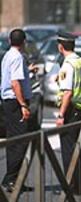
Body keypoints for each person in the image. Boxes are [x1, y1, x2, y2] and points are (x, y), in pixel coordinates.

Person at [55, 31, 81, 194]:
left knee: (68, 149)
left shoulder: (68, 65)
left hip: (71, 111)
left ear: (60, 47)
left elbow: (68, 92)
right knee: (80, 150)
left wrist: (61, 115)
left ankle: (71, 185)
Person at [1, 29, 32, 192]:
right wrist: (23, 105)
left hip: (9, 101)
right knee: (20, 140)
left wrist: (29, 71)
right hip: (15, 102)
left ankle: (15, 179)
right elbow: (15, 83)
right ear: (24, 42)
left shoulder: (8, 55)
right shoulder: (17, 57)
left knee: (14, 139)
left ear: (9, 41)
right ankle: (11, 179)